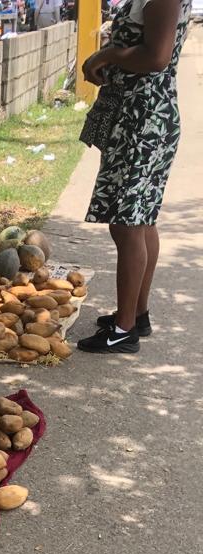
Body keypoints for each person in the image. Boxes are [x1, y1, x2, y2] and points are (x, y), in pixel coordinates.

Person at [78, 0, 191, 354]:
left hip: (144, 120)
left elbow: (156, 57)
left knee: (127, 224)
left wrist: (106, 56)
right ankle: (136, 314)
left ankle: (123, 330)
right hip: (137, 116)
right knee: (140, 221)